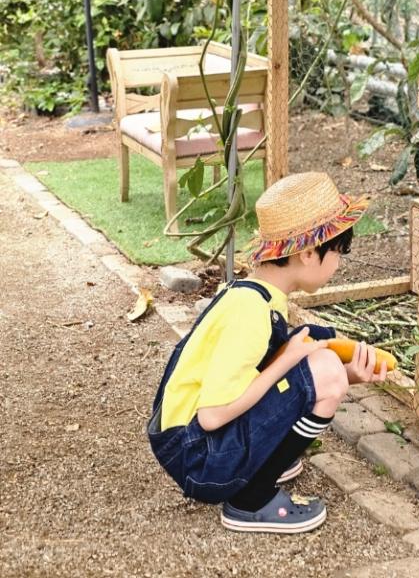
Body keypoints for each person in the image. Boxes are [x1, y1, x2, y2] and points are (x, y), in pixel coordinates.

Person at [148, 171, 388, 534]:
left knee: (318, 345)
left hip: (193, 444)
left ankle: (262, 461)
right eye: (337, 252)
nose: (338, 263)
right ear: (309, 254)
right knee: (320, 366)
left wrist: (348, 374)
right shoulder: (251, 313)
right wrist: (292, 363)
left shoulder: (255, 293)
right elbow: (212, 416)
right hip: (199, 458)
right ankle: (249, 499)